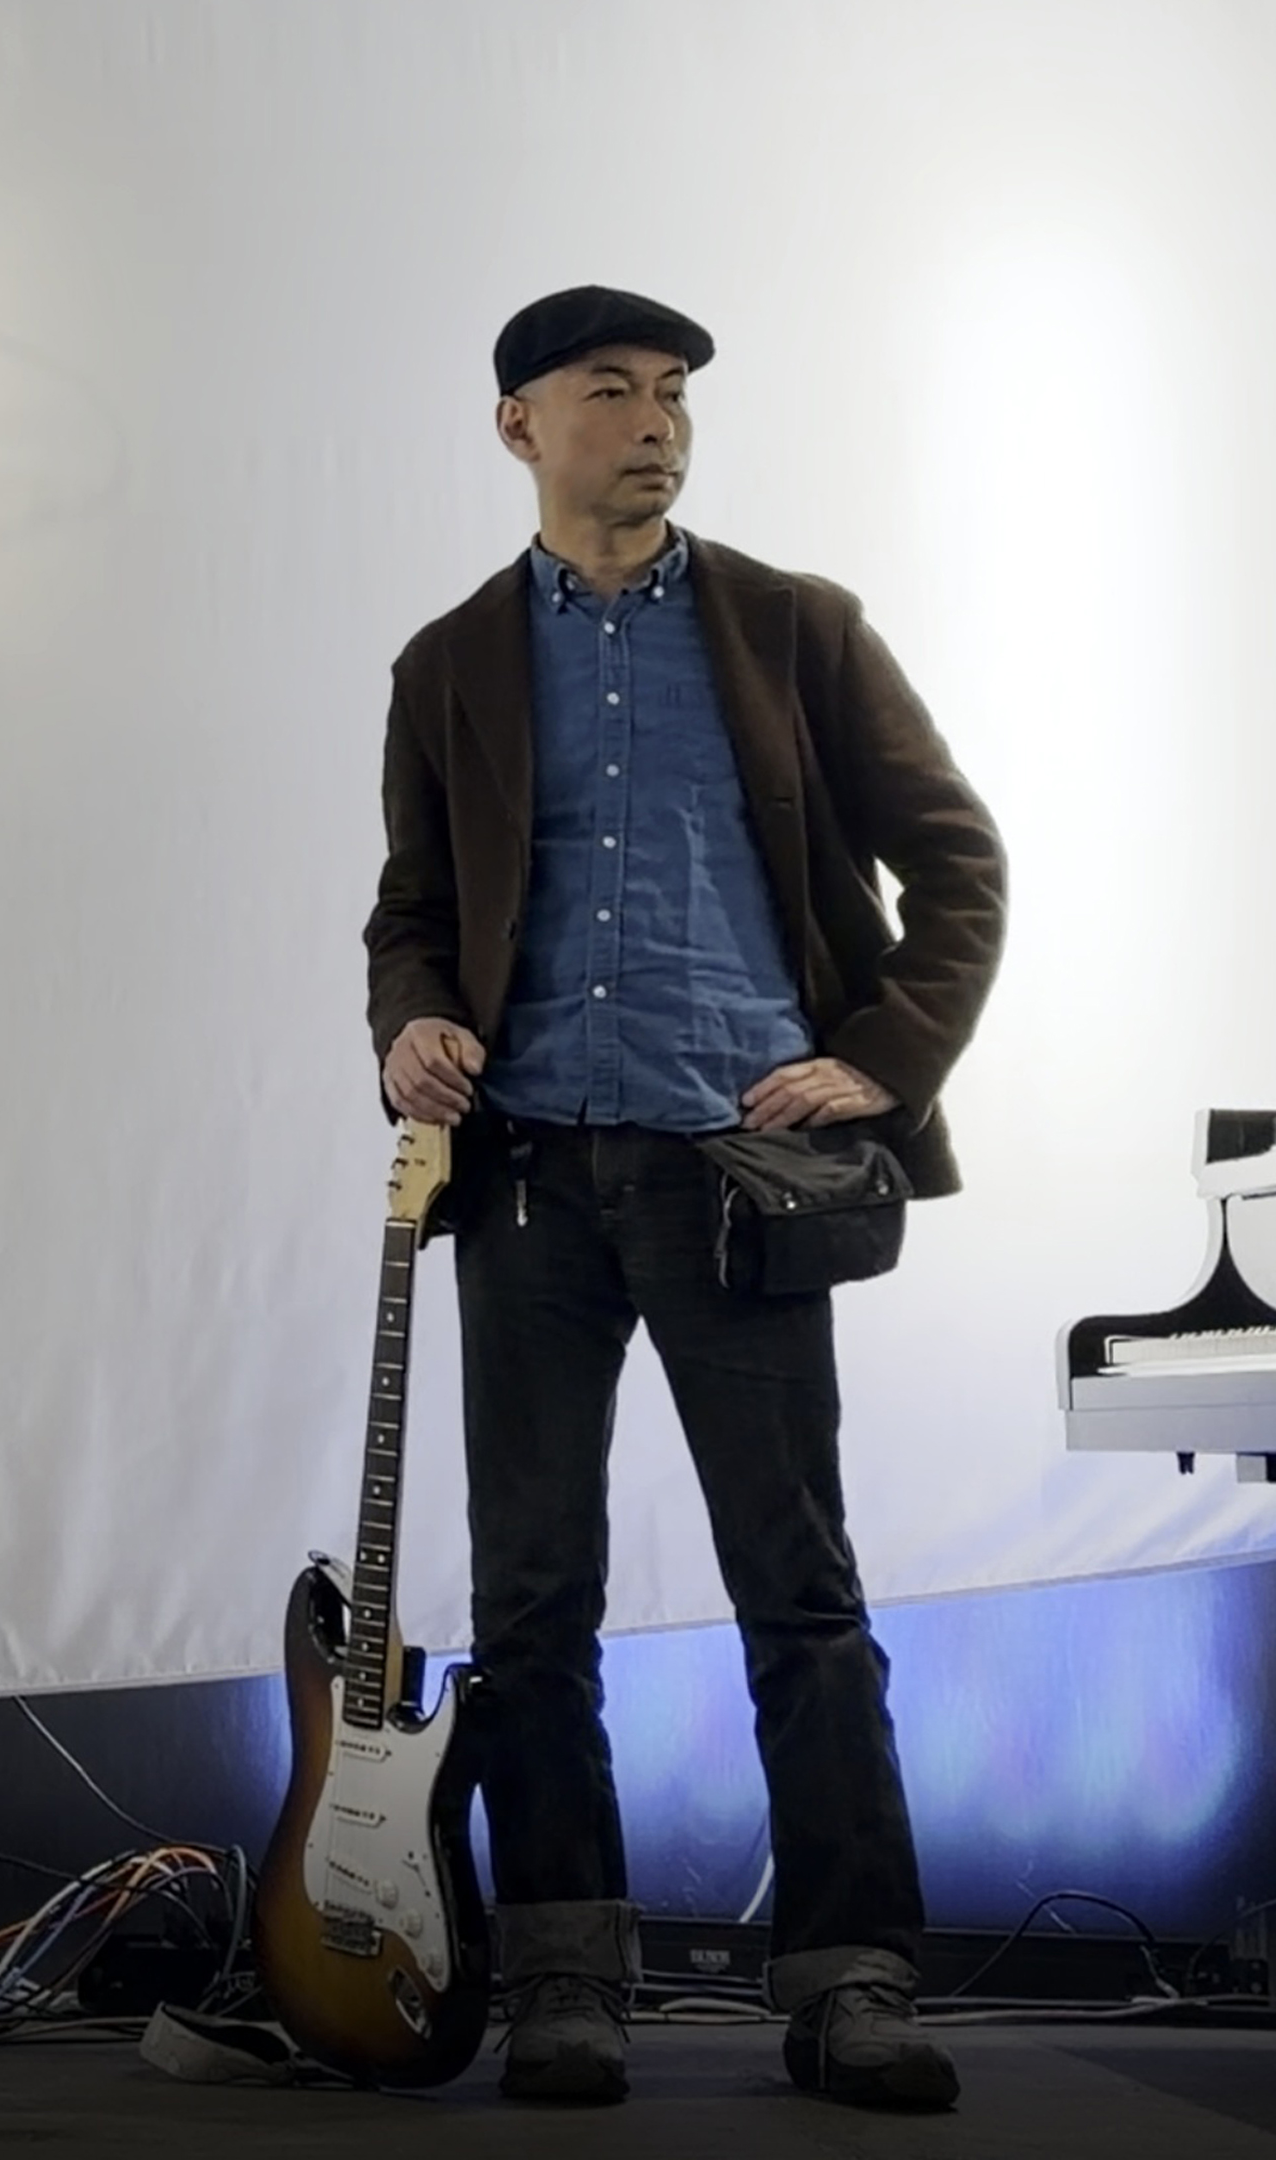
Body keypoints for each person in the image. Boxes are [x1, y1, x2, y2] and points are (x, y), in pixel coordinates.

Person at [361, 285, 1008, 2109]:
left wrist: (881, 1054)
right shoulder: (448, 662)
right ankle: (566, 1977)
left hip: (741, 1178)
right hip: (529, 1181)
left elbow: (958, 860)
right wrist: (413, 1021)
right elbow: (413, 911)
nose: (655, 423)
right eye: (612, 391)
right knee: (532, 1601)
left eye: (672, 395)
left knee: (799, 1587)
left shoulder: (799, 630)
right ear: (521, 424)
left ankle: (853, 1980)